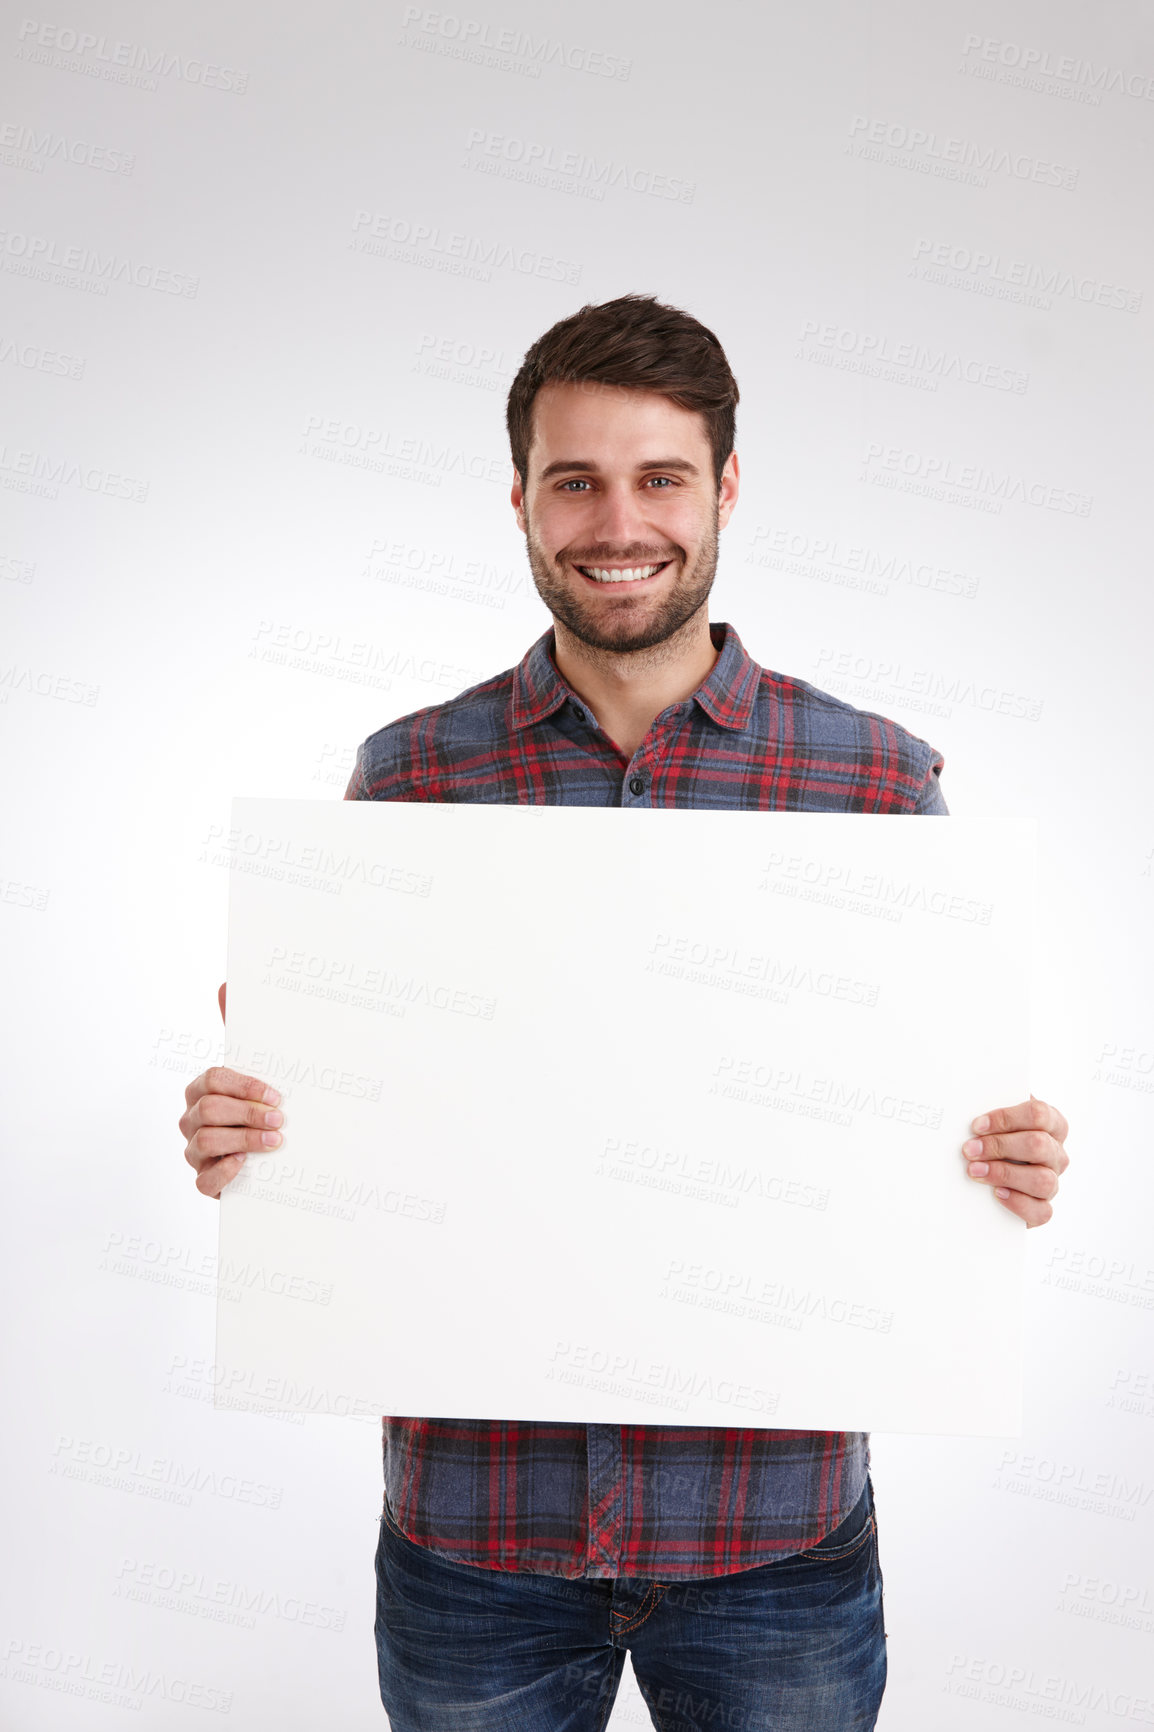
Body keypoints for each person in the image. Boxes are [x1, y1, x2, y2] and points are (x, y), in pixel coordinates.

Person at [179, 294, 1070, 1730]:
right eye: (573, 479)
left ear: (722, 487)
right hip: (476, 1536)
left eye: (658, 477)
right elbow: (367, 1128)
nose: (616, 522)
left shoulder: (874, 784)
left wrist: (1002, 1169)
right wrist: (259, 1130)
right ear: (520, 500)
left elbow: (928, 1113)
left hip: (770, 1537)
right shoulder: (410, 779)